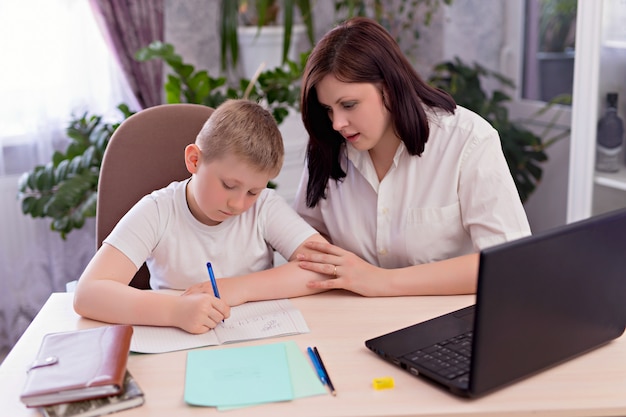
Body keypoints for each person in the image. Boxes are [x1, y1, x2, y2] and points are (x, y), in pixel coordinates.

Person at [293, 17, 531, 297]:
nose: (337, 123)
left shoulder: (467, 139)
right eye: (329, 109)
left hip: (445, 321)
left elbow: (508, 262)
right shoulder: (328, 146)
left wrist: (380, 282)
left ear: (390, 90)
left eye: (348, 105)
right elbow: (307, 238)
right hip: (354, 316)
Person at [73, 99, 329, 334]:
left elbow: (326, 269)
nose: (239, 204)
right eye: (229, 185)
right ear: (194, 160)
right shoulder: (157, 211)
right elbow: (88, 294)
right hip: (176, 341)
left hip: (253, 339)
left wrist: (240, 288)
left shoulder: (263, 207)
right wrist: (174, 311)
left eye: (253, 191)